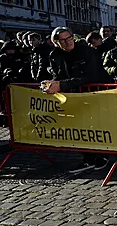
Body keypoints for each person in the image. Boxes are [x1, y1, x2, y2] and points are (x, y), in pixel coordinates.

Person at [45, 27, 112, 172]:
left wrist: (62, 84)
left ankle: (103, 155)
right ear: (56, 42)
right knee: (80, 126)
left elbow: (91, 76)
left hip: (95, 93)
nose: (69, 42)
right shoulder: (54, 55)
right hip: (74, 95)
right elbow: (58, 75)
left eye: (70, 38)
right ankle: (88, 158)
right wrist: (52, 84)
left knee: (97, 125)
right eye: (64, 40)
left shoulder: (85, 51)